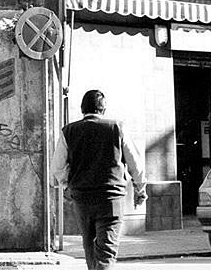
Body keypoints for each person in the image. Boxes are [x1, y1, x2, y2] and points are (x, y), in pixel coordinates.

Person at [51, 89, 146, 269]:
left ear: (82, 109)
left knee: (90, 248)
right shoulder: (117, 127)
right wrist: (140, 189)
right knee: (106, 252)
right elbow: (135, 163)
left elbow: (57, 166)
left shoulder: (69, 131)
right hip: (111, 198)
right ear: (103, 109)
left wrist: (66, 186)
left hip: (82, 198)